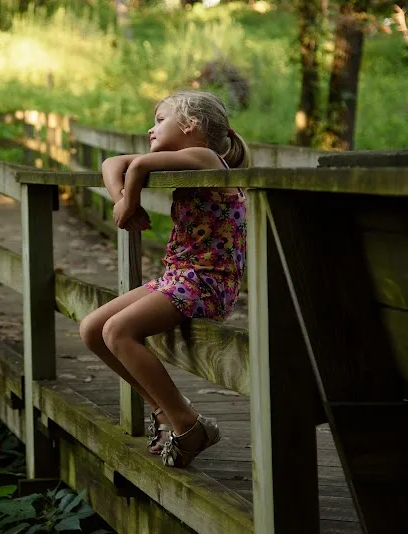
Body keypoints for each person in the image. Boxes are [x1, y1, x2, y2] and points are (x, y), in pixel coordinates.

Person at [79, 90, 250, 468]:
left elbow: (136, 166)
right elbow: (112, 162)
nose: (150, 128)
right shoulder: (188, 158)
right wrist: (122, 202)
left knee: (117, 332)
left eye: (160, 119)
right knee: (93, 329)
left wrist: (127, 199)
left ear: (189, 125)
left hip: (207, 281)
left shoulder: (207, 158)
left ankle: (187, 423)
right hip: (180, 276)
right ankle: (163, 413)